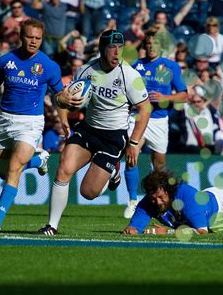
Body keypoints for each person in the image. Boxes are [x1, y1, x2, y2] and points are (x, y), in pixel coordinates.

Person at [36, 30, 152, 235]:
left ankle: (114, 170)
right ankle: (52, 226)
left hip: (113, 137)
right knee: (63, 168)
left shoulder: (130, 76)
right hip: (88, 130)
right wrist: (63, 114)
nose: (117, 52)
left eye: (121, 48)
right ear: (101, 49)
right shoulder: (85, 70)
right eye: (112, 47)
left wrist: (133, 143)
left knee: (88, 193)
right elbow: (63, 98)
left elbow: (145, 108)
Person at [0, 19, 82, 232]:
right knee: (4, 172)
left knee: (15, 167)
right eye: (30, 37)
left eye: (38, 38)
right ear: (20, 36)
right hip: (5, 120)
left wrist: (64, 119)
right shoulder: (6, 60)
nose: (33, 42)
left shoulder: (49, 66)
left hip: (31, 123)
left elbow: (59, 96)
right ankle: (38, 159)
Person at [124, 30, 188, 219]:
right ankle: (132, 200)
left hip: (159, 119)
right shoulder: (136, 67)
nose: (151, 47)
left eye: (155, 44)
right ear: (144, 46)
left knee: (159, 166)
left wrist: (166, 97)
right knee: (131, 154)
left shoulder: (171, 67)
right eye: (148, 43)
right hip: (138, 117)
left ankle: (158, 201)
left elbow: (184, 95)